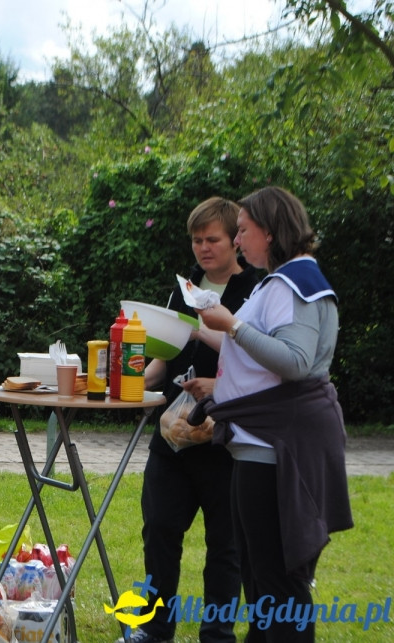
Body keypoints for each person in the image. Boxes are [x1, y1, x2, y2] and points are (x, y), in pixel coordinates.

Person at [191, 186, 353, 642]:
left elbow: (295, 361)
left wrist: (234, 323)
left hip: (275, 448)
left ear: (270, 230)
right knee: (262, 579)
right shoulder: (287, 280)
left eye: (242, 231)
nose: (238, 241)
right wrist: (204, 329)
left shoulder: (292, 284)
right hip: (261, 445)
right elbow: (253, 352)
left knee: (278, 581)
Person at [119, 197, 257, 643]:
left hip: (227, 436)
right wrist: (134, 380)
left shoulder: (254, 290)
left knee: (226, 544)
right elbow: (164, 359)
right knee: (159, 529)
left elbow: (258, 358)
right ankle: (155, 629)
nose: (203, 248)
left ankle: (217, 634)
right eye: (197, 240)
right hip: (173, 433)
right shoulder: (184, 289)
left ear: (235, 239)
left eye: (212, 239)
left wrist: (201, 329)